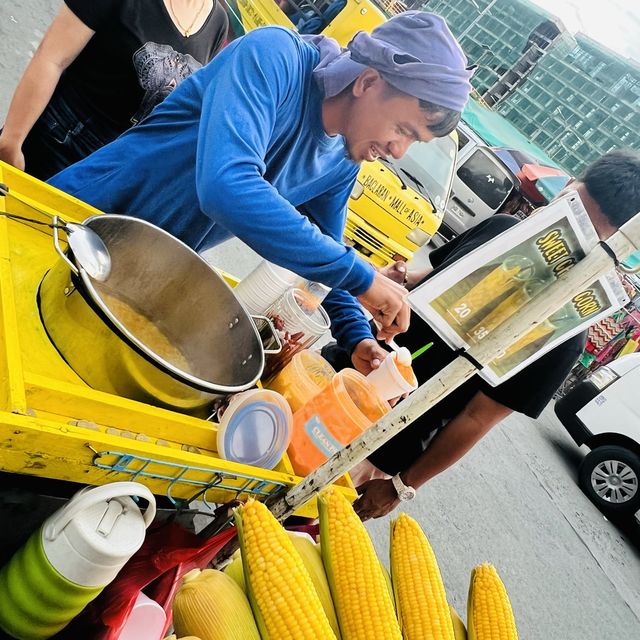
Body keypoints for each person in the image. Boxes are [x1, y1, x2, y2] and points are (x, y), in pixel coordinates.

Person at [48, 12, 474, 341]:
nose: (398, 151)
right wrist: (363, 277)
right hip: (69, 221)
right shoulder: (275, 59)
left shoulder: (343, 159)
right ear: (367, 82)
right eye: (402, 129)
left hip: (137, 272)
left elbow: (328, 250)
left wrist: (357, 336)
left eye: (413, 141)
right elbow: (225, 186)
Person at [321, 149, 640, 520]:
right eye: (569, 210)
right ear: (569, 186)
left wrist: (401, 486)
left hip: (380, 448)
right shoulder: (502, 228)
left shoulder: (565, 337)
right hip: (337, 378)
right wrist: (400, 279)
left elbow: (477, 418)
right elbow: (431, 280)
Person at [0, 0, 229, 180]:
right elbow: (51, 58)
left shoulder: (218, 22)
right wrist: (11, 141)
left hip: (111, 172)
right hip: (56, 141)